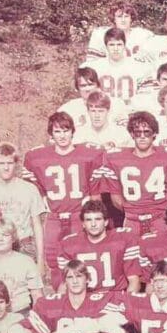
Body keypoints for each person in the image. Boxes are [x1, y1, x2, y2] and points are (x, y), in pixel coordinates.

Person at [23, 112, 104, 277]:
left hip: (78, 216)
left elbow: (96, 194)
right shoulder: (37, 157)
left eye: (65, 130)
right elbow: (33, 188)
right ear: (51, 134)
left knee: (84, 260)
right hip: (55, 217)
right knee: (54, 263)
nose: (62, 135)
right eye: (57, 131)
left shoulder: (89, 154)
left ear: (73, 131)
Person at [98, 112, 167, 233]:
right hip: (132, 220)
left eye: (147, 132)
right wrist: (133, 211)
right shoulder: (116, 159)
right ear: (132, 134)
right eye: (137, 132)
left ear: (155, 134)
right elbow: (115, 199)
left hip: (161, 219)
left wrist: (166, 214)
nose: (142, 136)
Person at [0, 142, 47, 272]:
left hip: (24, 246)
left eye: (9, 163)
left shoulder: (29, 189)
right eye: (2, 163)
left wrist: (41, 260)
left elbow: (37, 226)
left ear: (16, 164)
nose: (6, 168)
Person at [56, 198, 140, 294]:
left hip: (115, 298)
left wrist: (124, 303)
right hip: (85, 300)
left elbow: (134, 281)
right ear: (83, 223)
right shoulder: (69, 244)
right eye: (88, 220)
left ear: (106, 222)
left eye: (98, 219)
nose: (93, 224)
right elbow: (65, 284)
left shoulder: (123, 239)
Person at [89, 28, 150, 113]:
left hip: (130, 111)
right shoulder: (94, 67)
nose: (116, 48)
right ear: (106, 46)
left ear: (124, 46)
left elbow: (147, 95)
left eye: (119, 44)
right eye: (112, 45)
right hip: (103, 113)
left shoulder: (138, 67)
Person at [60, 66, 123, 134]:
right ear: (77, 88)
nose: (87, 89)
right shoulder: (68, 109)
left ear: (98, 85)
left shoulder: (116, 104)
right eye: (83, 86)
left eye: (90, 84)